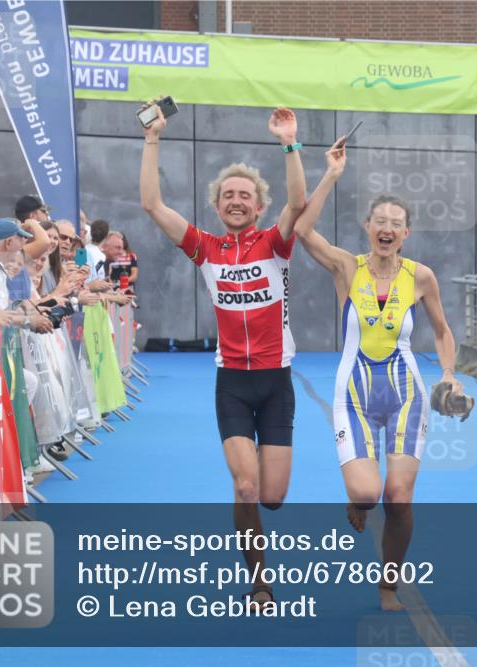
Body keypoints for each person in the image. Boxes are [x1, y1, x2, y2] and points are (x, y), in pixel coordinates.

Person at [140, 105, 307, 607]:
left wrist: (289, 143)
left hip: (276, 382)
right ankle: (259, 581)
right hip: (232, 382)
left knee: (273, 497)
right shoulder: (205, 247)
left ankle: (260, 494)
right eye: (228, 195)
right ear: (217, 205)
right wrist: (153, 138)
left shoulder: (276, 243)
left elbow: (298, 202)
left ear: (258, 206)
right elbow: (152, 204)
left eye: (245, 195)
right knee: (245, 488)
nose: (236, 201)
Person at [292, 139, 466, 612]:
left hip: (406, 393)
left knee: (399, 496)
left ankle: (389, 583)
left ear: (406, 233)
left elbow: (444, 331)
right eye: (380, 223)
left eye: (396, 224)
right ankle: (357, 500)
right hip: (353, 394)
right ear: (367, 228)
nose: (387, 230)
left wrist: (449, 373)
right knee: (368, 494)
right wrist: (331, 173)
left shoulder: (420, 276)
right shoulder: (346, 266)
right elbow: (302, 230)